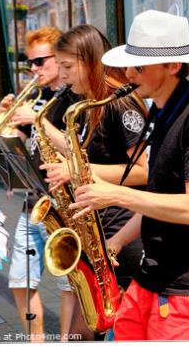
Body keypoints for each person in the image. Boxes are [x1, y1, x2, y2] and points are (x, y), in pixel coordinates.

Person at [66, 10, 189, 341]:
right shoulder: (163, 109)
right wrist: (115, 243)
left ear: (173, 66)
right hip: (155, 272)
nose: (129, 73)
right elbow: (160, 194)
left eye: (139, 66)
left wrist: (115, 194)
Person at [35, 24, 147, 340]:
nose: (63, 75)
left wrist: (73, 170)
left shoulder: (119, 104)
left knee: (106, 330)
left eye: (68, 67)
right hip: (95, 226)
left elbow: (143, 171)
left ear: (90, 61)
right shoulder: (85, 105)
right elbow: (86, 157)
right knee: (84, 330)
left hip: (121, 231)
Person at [0, 26, 77, 342]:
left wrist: (36, 119)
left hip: (64, 204)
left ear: (59, 60)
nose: (33, 69)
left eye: (40, 61)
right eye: (29, 63)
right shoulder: (37, 98)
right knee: (20, 280)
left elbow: (76, 152)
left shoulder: (72, 100)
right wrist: (10, 122)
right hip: (33, 201)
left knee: (68, 285)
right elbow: (25, 148)